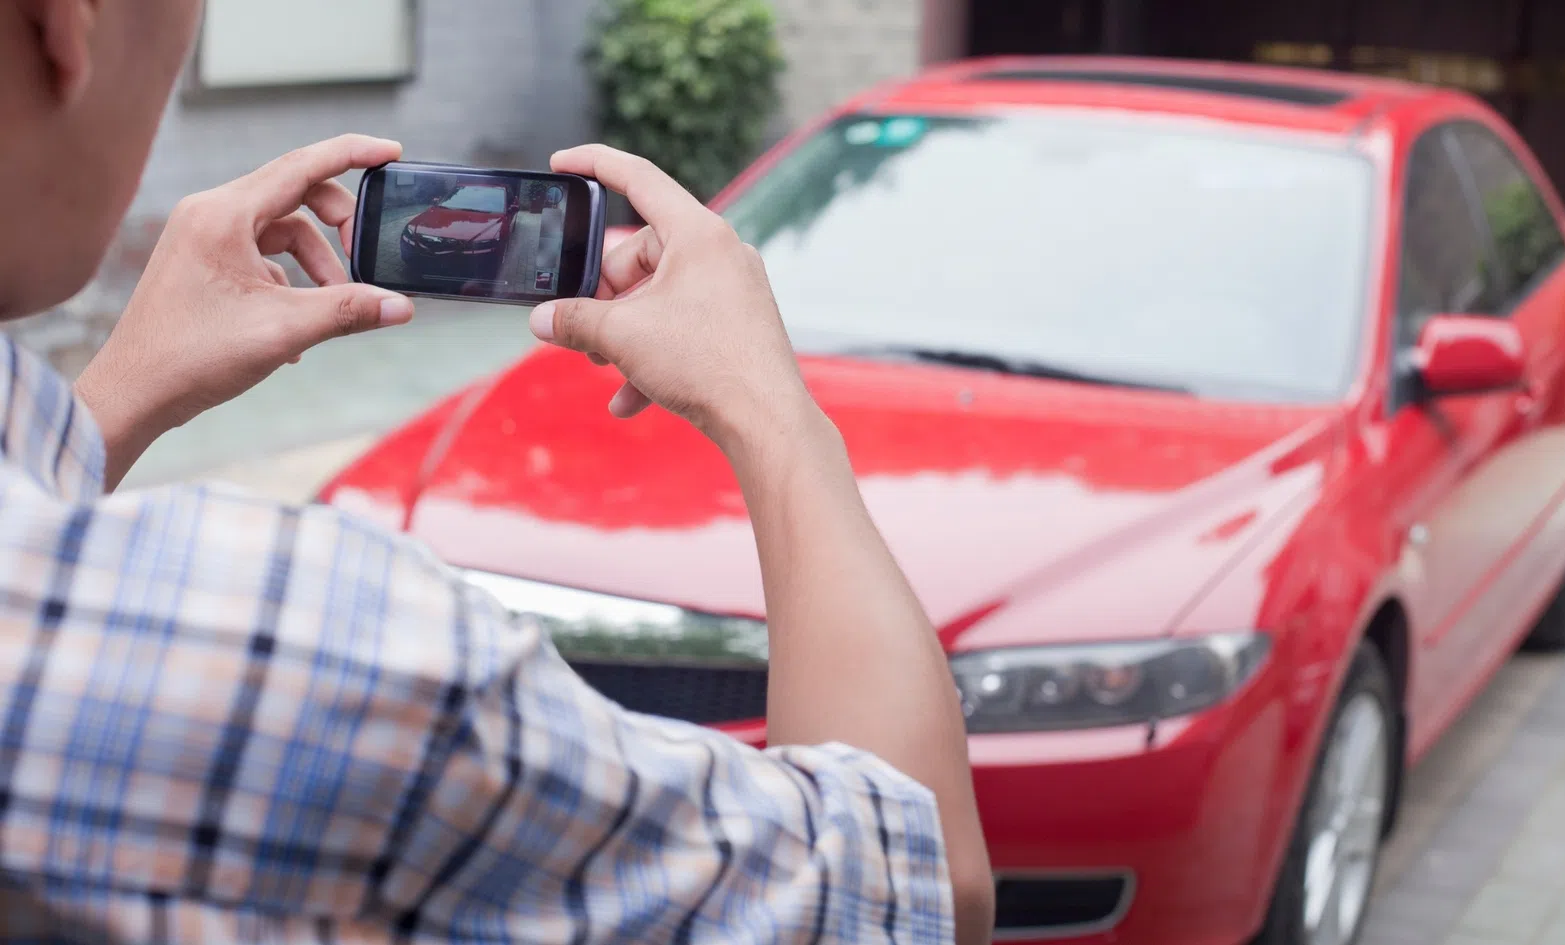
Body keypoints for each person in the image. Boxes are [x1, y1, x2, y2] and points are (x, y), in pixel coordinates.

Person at [0, 2, 994, 943]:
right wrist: (771, 413)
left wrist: (115, 402)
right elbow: (910, 881)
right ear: (67, 21)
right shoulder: (310, 641)